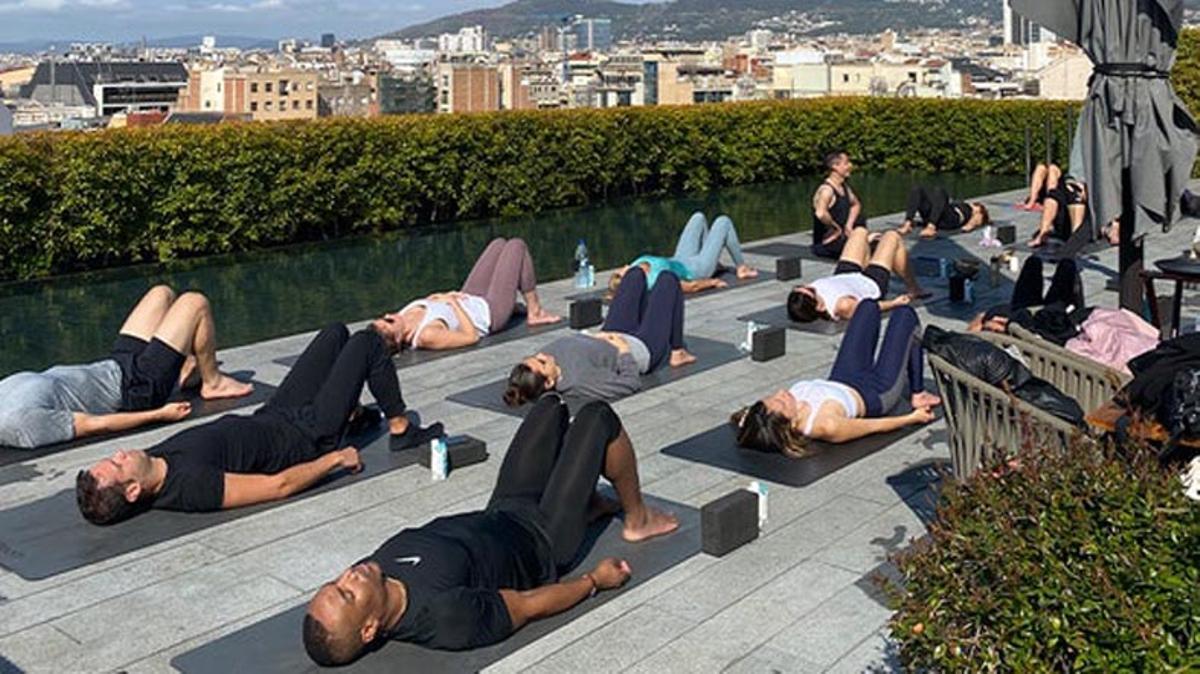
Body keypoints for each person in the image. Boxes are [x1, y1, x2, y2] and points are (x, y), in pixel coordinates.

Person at [301, 396, 679, 664]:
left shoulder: (374, 571)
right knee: (598, 417)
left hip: (505, 507)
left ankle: (586, 504)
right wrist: (594, 581)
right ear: (369, 630)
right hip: (545, 540)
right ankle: (638, 519)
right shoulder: (445, 616)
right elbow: (526, 606)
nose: (348, 575)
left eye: (336, 583)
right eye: (348, 594)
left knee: (550, 406)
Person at [74, 321, 443, 525]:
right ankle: (401, 429)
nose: (120, 454)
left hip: (275, 413)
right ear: (134, 490)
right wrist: (334, 460)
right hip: (308, 435)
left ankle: (357, 416)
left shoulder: (148, 462)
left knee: (334, 333)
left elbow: (109, 442)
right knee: (367, 341)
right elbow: (277, 485)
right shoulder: (190, 487)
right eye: (118, 464)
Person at [0, 285, 251, 450]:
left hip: (116, 366)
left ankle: (182, 367)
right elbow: (95, 424)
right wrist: (160, 414)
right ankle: (212, 382)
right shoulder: (20, 424)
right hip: (137, 389)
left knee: (161, 294)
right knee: (195, 303)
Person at [732, 300, 940, 456]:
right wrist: (912, 418)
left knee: (867, 307)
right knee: (905, 315)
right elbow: (872, 426)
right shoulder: (824, 424)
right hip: (877, 392)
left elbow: (749, 419)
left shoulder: (763, 416)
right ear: (789, 423)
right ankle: (918, 393)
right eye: (781, 402)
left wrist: (744, 418)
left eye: (773, 396)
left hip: (843, 375)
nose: (781, 393)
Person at [505, 267, 695, 406]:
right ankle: (677, 351)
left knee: (635, 275)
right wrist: (623, 351)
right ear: (549, 382)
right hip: (639, 348)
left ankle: (647, 322)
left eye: (537, 358)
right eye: (543, 363)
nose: (544, 355)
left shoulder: (543, 362)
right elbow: (630, 383)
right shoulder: (580, 381)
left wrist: (594, 336)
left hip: (610, 332)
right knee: (668, 280)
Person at [382, 238, 560, 352]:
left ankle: (511, 307)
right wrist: (453, 303)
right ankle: (534, 312)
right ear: (398, 338)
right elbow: (471, 337)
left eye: (384, 317)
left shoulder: (402, 316)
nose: (389, 315)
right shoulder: (426, 336)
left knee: (498, 244)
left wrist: (442, 296)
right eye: (389, 322)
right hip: (489, 312)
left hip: (469, 296)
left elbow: (432, 305)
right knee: (516, 246)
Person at [787, 227, 928, 323]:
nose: (809, 286)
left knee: (859, 232)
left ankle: (869, 251)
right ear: (819, 307)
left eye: (802, 287)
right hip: (871, 282)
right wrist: (894, 303)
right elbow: (869, 308)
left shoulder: (805, 299)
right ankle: (913, 288)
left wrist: (865, 244)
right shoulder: (843, 306)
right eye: (811, 291)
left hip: (845, 274)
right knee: (892, 236)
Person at [607, 212, 758, 297]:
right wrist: (712, 282)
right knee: (723, 221)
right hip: (696, 270)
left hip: (680, 258)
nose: (625, 265)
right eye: (622, 270)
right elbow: (691, 286)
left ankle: (712, 259)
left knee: (698, 217)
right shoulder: (654, 280)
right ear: (630, 278)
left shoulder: (635, 267)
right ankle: (741, 267)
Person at [811, 150, 869, 260]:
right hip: (827, 244)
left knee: (876, 240)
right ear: (835, 166)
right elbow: (820, 213)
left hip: (843, 237)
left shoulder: (844, 187)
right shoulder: (826, 190)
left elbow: (856, 205)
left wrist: (849, 225)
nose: (850, 166)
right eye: (846, 163)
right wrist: (835, 228)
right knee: (868, 247)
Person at [896, 185, 991, 240]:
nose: (974, 204)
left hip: (952, 218)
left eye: (977, 205)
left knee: (940, 191)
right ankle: (907, 223)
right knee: (917, 189)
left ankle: (931, 227)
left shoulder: (977, 212)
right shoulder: (963, 204)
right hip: (938, 214)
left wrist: (969, 226)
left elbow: (975, 222)